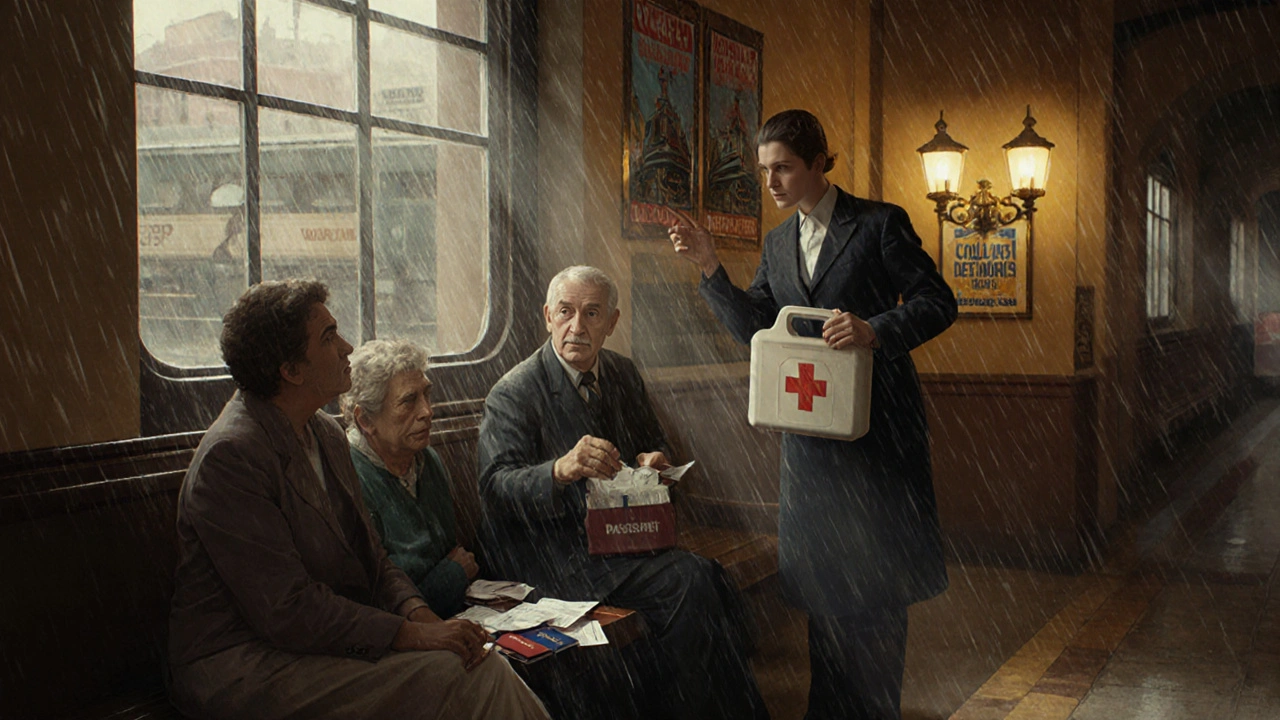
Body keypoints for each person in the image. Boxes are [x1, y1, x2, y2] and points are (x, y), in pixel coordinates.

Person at [668, 109, 958, 720]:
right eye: (764, 170)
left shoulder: (879, 225)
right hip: (811, 449)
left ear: (819, 163)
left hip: (877, 442)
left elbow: (939, 301)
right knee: (825, 596)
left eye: (784, 168)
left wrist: (874, 329)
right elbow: (758, 329)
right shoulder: (777, 244)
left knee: (875, 600)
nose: (771, 183)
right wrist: (711, 268)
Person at [167, 279, 548, 720]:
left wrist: (426, 620)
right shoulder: (232, 458)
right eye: (329, 338)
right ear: (291, 369)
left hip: (306, 646)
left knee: (475, 661)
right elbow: (287, 611)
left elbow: (374, 558)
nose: (347, 347)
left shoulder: (324, 434)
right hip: (241, 666)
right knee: (464, 676)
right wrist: (410, 636)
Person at [477, 265, 769, 720]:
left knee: (709, 578)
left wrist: (656, 460)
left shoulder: (622, 373)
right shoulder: (514, 392)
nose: (577, 326)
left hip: (621, 536)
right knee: (689, 581)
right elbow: (495, 490)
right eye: (566, 312)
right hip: (553, 553)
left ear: (612, 322)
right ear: (547, 316)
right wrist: (559, 469)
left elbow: (653, 445)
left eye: (592, 313)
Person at [341, 339, 478, 619]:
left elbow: (447, 551)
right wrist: (452, 575)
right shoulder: (350, 479)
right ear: (365, 420)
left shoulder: (426, 460)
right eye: (409, 401)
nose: (427, 411)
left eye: (427, 395)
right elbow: (381, 604)